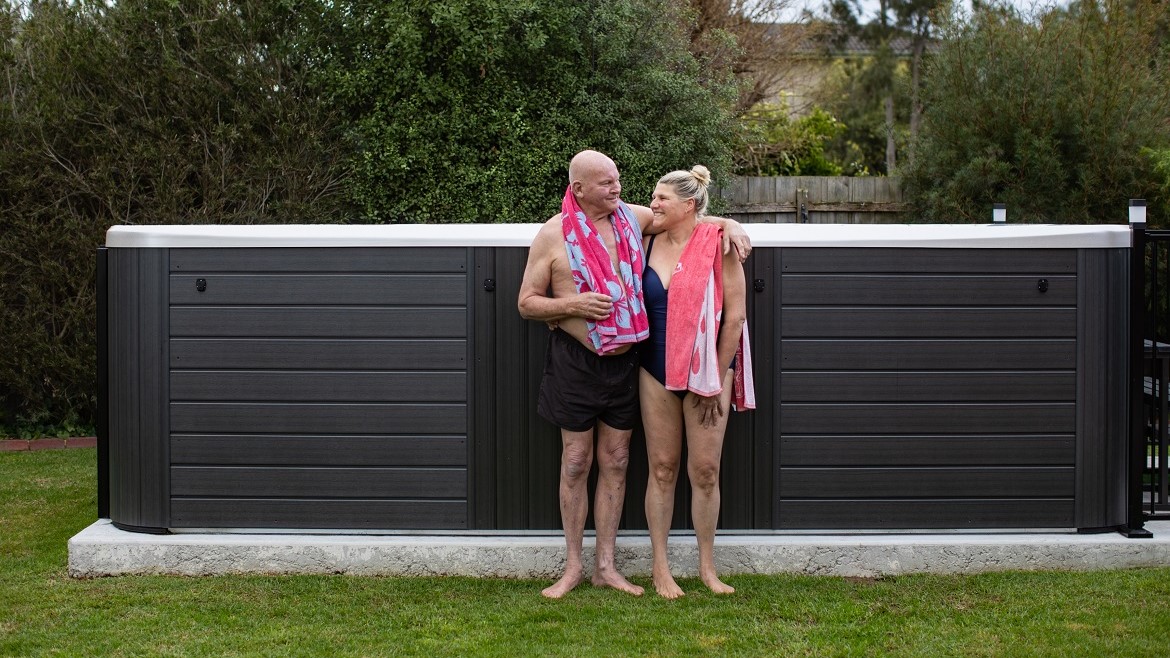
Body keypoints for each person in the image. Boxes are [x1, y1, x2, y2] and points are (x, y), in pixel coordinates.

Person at [517, 150, 750, 599]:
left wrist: (730, 224)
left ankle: (607, 567)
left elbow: (687, 213)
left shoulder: (631, 219)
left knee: (619, 462)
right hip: (577, 364)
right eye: (606, 183)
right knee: (575, 462)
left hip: (626, 364)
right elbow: (526, 302)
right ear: (579, 189)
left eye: (618, 179)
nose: (618, 188)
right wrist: (572, 305)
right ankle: (572, 569)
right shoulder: (553, 234)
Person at [639, 165, 754, 599]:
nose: (653, 204)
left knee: (705, 471)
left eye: (662, 198)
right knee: (662, 468)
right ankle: (660, 569)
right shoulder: (645, 240)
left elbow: (735, 316)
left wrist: (713, 379)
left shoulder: (718, 245)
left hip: (708, 373)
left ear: (688, 205)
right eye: (653, 197)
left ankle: (707, 568)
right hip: (653, 370)